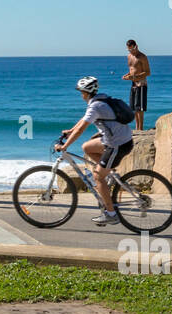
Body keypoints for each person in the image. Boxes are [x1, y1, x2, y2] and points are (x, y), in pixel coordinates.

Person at [57, 75, 134, 227]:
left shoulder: (96, 106)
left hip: (117, 145)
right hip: (116, 140)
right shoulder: (100, 99)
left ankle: (111, 214)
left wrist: (65, 147)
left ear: (86, 92)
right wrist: (70, 131)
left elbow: (81, 130)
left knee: (98, 177)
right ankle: (108, 173)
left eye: (81, 91)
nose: (80, 94)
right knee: (87, 147)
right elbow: (83, 120)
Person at [122, 39, 151, 130]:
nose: (131, 51)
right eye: (129, 50)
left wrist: (134, 77)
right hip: (133, 83)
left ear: (136, 46)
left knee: (140, 108)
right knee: (134, 107)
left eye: (132, 49)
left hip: (142, 83)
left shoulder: (142, 57)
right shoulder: (129, 56)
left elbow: (147, 72)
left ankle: (140, 128)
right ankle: (136, 127)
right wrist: (127, 76)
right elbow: (132, 69)